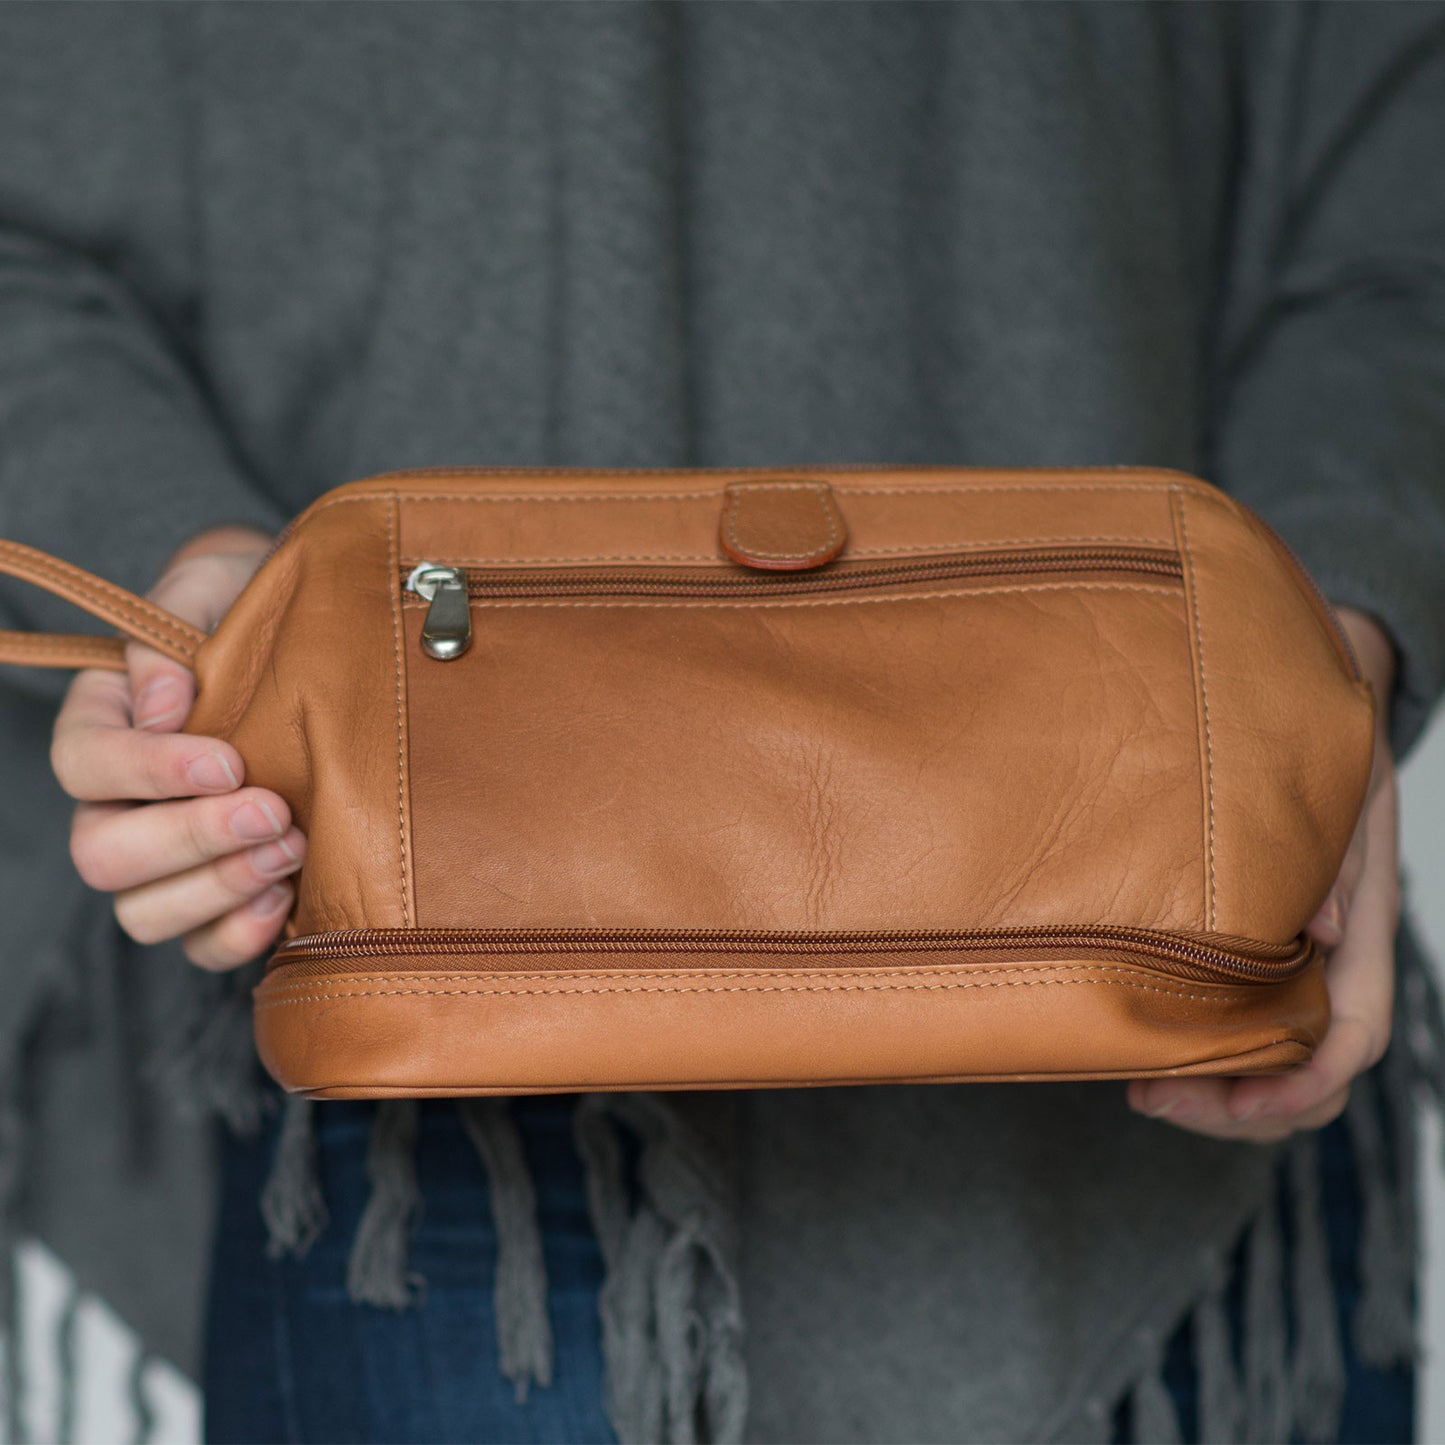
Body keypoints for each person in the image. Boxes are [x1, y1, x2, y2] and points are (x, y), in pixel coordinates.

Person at [1, 4, 1443, 1442]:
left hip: (1184, 950)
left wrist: (1327, 646)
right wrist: (206, 608)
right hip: (410, 1075)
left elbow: (1395, 223)